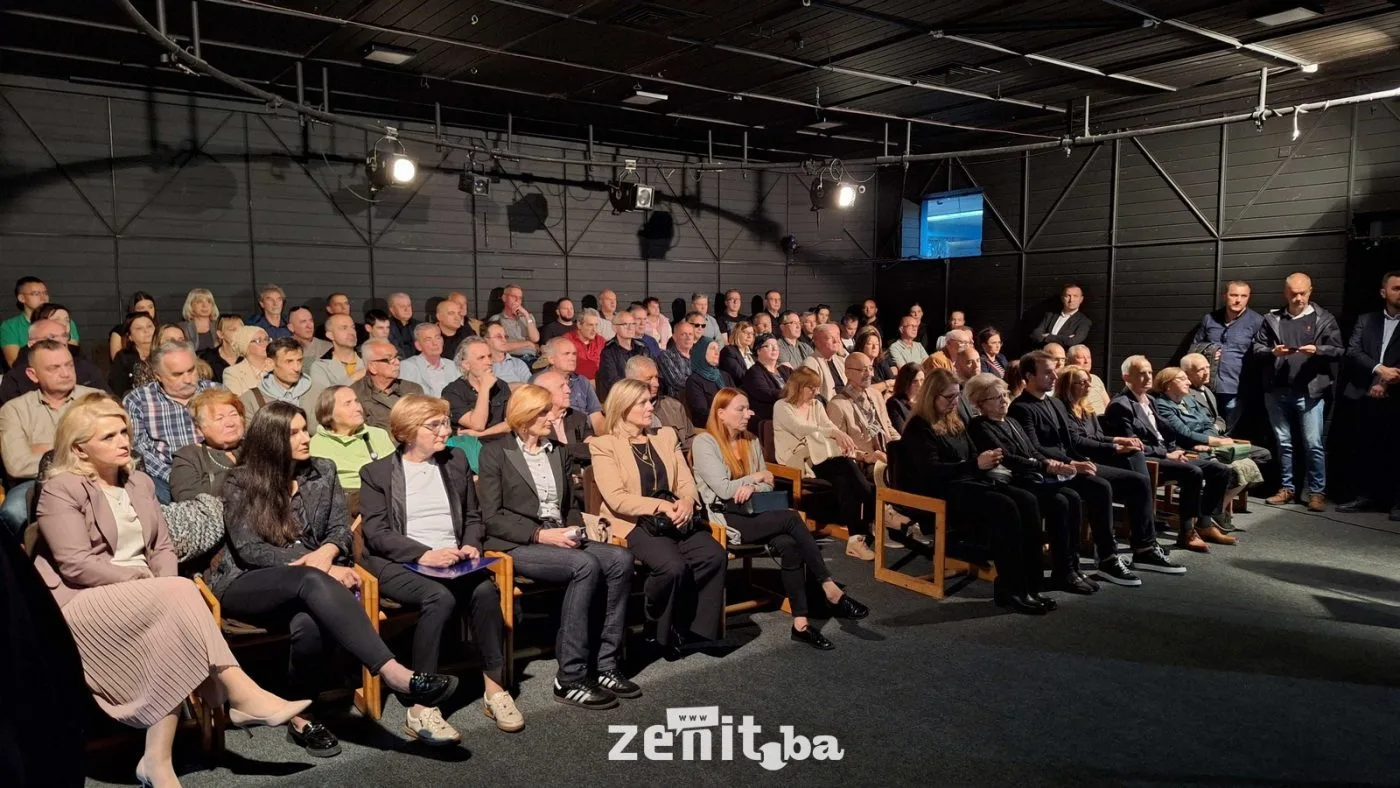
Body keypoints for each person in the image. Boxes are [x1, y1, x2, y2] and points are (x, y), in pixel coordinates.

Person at [34, 395, 311, 786]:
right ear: (79, 448)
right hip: (83, 599)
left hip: (149, 595)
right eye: (108, 436)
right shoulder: (61, 489)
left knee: (173, 614)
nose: (123, 441)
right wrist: (145, 583)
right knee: (179, 594)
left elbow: (162, 548)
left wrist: (159, 583)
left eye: (124, 432)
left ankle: (156, 761)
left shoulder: (140, 482)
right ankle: (239, 692)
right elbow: (75, 563)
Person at [209, 401, 460, 756]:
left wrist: (327, 553)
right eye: (293, 433)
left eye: (305, 429)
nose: (305, 438)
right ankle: (394, 673)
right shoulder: (239, 481)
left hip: (312, 586)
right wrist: (320, 566)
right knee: (311, 580)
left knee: (308, 624)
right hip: (250, 582)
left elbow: (341, 529)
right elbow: (251, 549)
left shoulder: (323, 470)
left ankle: (302, 717)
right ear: (271, 439)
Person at [359, 395, 519, 738]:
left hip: (453, 559)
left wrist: (471, 544)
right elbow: (377, 533)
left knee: (486, 592)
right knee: (439, 598)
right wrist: (423, 554)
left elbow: (473, 516)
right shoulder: (377, 473)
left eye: (445, 423)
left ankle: (495, 689)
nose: (445, 431)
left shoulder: (455, 460)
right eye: (435, 425)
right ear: (407, 432)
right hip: (400, 561)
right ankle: (421, 707)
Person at [477, 385, 636, 708]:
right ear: (524, 416)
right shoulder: (495, 452)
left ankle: (605, 664)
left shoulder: (558, 451)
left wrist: (575, 529)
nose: (552, 417)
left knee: (620, 559)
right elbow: (491, 518)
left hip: (558, 534)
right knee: (584, 565)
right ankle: (570, 677)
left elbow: (570, 506)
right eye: (544, 412)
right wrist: (540, 535)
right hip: (516, 543)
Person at [693, 389, 868, 647]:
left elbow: (769, 483)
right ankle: (829, 588)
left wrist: (753, 484)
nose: (749, 413)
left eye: (748, 408)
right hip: (725, 518)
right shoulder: (705, 443)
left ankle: (801, 624)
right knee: (792, 518)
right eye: (741, 409)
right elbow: (724, 489)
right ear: (721, 413)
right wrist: (754, 478)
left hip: (755, 510)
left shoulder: (751, 440)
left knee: (790, 544)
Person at [590, 379, 728, 653]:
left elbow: (685, 481)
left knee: (713, 555)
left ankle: (687, 624)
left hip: (675, 514)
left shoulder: (665, 436)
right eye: (642, 403)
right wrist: (660, 506)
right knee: (672, 567)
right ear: (623, 407)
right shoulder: (604, 445)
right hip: (634, 521)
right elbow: (617, 498)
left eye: (650, 401)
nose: (650, 407)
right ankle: (655, 620)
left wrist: (687, 501)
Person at [1008, 351, 1168, 584]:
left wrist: (1112, 443)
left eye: (1054, 371)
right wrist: (1072, 463)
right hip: (1050, 470)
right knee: (1100, 487)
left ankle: (1145, 547)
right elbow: (1034, 448)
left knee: (1138, 480)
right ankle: (1107, 557)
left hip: (1071, 462)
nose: (1054, 376)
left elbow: (1072, 440)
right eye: (1047, 372)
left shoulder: (1054, 403)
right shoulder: (1021, 407)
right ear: (1029, 376)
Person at [953, 372, 1090, 600]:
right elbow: (1007, 458)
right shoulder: (979, 426)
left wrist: (1052, 463)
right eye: (996, 397)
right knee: (1059, 502)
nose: (1004, 400)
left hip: (1032, 476)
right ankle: (1055, 572)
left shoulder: (1012, 421)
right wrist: (1043, 465)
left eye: (1005, 395)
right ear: (980, 403)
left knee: (1072, 497)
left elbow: (1032, 451)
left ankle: (1069, 566)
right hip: (1014, 480)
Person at [1103, 356, 1235, 551]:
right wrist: (1166, 454)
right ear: (1126, 377)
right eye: (1141, 374)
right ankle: (1186, 533)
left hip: (1166, 453)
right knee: (1193, 472)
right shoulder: (1120, 405)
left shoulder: (1150, 400)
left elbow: (1165, 433)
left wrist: (1174, 450)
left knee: (1220, 470)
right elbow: (1132, 445)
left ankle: (1204, 522)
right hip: (1145, 458)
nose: (1148, 377)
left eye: (1150, 372)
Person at [1251, 272, 1343, 511]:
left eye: (1303, 293)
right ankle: (1287, 488)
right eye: (1293, 294)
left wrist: (1318, 350)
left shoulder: (1324, 319)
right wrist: (1272, 353)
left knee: (1313, 444)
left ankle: (1316, 493)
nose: (1298, 298)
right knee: (1284, 443)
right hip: (1277, 391)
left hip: (1311, 392)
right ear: (1285, 293)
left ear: (1310, 291)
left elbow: (1339, 350)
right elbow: (1257, 348)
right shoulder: (1272, 319)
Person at [774, 367, 876, 560]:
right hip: (797, 460)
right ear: (798, 387)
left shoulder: (816, 405)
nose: (815, 392)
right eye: (811, 388)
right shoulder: (782, 406)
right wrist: (834, 433)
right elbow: (800, 428)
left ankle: (855, 540)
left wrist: (839, 435)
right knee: (845, 465)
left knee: (843, 480)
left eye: (816, 387)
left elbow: (828, 427)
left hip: (819, 456)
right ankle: (876, 506)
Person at [0, 341, 100, 536]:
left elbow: (111, 448)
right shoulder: (14, 410)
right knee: (12, 513)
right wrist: (78, 449)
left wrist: (47, 451)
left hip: (92, 476)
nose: (65, 373)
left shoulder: (96, 400)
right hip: (36, 482)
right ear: (33, 375)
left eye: (69, 365)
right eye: (54, 368)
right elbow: (17, 465)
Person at [1153, 366, 1267, 530]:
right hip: (1188, 448)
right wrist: (1213, 442)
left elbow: (1208, 423)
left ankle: (1215, 506)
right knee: (1229, 468)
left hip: (1208, 444)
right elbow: (1183, 433)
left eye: (1187, 378)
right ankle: (1212, 511)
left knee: (1260, 457)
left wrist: (1210, 441)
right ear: (1168, 384)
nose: (1188, 382)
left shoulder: (1190, 400)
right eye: (1182, 379)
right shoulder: (1162, 405)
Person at [1339, 270, 1400, 518]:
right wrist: (1379, 370)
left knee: (1396, 448)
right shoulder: (1366, 320)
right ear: (1383, 292)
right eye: (1396, 288)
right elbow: (1353, 351)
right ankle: (1364, 496)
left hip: (1397, 395)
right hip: (1363, 392)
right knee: (1364, 447)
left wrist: (1386, 381)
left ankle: (1397, 503)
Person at [124, 342, 216, 504]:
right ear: (158, 375)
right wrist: (177, 477)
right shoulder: (139, 400)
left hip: (216, 471)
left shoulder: (216, 392)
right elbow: (139, 448)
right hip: (166, 478)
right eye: (177, 374)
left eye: (191, 370)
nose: (188, 379)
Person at [309, 385, 395, 516]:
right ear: (328, 412)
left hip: (378, 504)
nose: (358, 408)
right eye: (347, 403)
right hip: (338, 509)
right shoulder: (315, 445)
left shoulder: (378, 435)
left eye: (357, 401)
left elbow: (395, 475)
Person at [1192, 281, 1263, 432]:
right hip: (1207, 384)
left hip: (1236, 386)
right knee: (1207, 425)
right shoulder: (1210, 319)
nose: (1238, 300)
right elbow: (1193, 348)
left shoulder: (1257, 321)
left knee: (1231, 430)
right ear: (1225, 296)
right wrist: (1209, 350)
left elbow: (1261, 353)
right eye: (1234, 295)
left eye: (1243, 296)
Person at [0, 318, 105, 404]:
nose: (61, 341)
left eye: (64, 336)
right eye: (51, 337)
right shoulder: (15, 378)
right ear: (32, 344)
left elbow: (108, 401)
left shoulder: (85, 368)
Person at [168, 388, 245, 503]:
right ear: (199, 429)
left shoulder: (257, 448)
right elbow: (189, 504)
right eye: (219, 418)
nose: (230, 423)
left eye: (234, 414)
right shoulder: (188, 457)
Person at [826, 351, 899, 472]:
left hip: (890, 454)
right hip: (867, 463)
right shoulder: (837, 405)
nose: (869, 374)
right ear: (847, 373)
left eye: (870, 368)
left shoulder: (876, 395)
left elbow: (888, 427)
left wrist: (902, 446)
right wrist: (867, 457)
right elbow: (838, 447)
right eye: (863, 370)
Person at [239, 338, 322, 427]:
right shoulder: (251, 400)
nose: (297, 368)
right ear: (270, 363)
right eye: (289, 361)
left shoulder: (319, 393)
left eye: (299, 361)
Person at [443, 336, 512, 441]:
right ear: (466, 365)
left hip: (500, 444)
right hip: (471, 447)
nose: (489, 362)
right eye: (481, 358)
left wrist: (482, 434)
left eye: (489, 356)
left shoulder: (501, 386)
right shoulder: (452, 392)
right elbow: (478, 425)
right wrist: (484, 388)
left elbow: (512, 423)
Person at [2, 276, 80, 367]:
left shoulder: (66, 322)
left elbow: (72, 354)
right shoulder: (9, 326)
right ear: (21, 298)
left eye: (45, 293)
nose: (43, 298)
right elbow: (14, 363)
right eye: (36, 294)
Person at [538, 336, 604, 435]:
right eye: (566, 354)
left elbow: (597, 418)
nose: (572, 358)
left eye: (574, 354)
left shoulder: (582, 381)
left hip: (586, 435)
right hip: (557, 436)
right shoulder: (540, 382)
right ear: (551, 359)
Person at [627, 356, 695, 450]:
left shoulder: (674, 406)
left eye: (656, 377)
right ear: (632, 381)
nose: (657, 384)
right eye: (649, 379)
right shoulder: (624, 411)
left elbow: (690, 438)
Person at [398, 323, 460, 398]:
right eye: (428, 340)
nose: (435, 343)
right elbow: (408, 399)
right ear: (418, 345)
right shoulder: (408, 366)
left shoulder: (453, 366)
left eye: (437, 338)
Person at [597, 308, 648, 399]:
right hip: (623, 398)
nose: (630, 328)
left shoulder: (642, 347)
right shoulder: (608, 352)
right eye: (625, 324)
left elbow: (652, 371)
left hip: (645, 393)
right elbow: (612, 382)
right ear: (614, 328)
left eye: (633, 324)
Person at [740, 333, 790, 425]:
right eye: (769, 346)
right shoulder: (754, 372)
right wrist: (791, 393)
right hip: (772, 417)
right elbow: (764, 393)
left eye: (776, 346)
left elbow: (801, 384)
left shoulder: (786, 370)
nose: (774, 349)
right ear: (758, 351)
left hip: (791, 411)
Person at [685, 336, 734, 427]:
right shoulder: (694, 380)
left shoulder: (725, 376)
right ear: (701, 352)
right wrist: (727, 417)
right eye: (712, 348)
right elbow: (702, 412)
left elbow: (735, 399)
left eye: (718, 349)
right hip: (710, 426)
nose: (717, 352)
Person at [307, 313, 364, 389]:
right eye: (344, 328)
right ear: (330, 335)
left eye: (353, 327)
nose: (351, 332)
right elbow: (324, 395)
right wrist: (354, 377)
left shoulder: (369, 359)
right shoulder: (320, 366)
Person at [109, 312, 158, 399]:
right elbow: (117, 391)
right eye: (139, 328)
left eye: (149, 326)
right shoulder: (123, 358)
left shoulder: (165, 353)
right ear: (129, 336)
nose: (146, 331)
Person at [489, 283, 541, 361]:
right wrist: (528, 343)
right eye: (514, 297)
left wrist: (526, 315)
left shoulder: (528, 317)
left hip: (533, 357)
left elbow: (535, 339)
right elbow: (500, 346)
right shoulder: (497, 319)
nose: (517, 300)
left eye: (520, 298)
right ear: (504, 298)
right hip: (514, 358)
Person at [1030, 283, 1091, 348]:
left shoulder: (1084, 321)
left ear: (1081, 299)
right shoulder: (1050, 315)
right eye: (1068, 296)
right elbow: (1035, 335)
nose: (1071, 300)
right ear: (1062, 298)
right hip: (1044, 353)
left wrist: (1048, 336)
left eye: (1075, 296)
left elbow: (1072, 341)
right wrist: (1065, 338)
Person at [800, 324, 847, 404]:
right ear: (817, 342)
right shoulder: (810, 364)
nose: (836, 341)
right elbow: (812, 396)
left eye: (837, 337)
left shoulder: (840, 360)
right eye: (830, 338)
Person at [222, 326, 272, 397]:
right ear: (245, 346)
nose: (266, 344)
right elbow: (236, 402)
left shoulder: (279, 366)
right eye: (259, 341)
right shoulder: (232, 373)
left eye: (267, 339)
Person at [108, 291, 157, 361]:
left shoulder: (161, 329)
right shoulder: (120, 331)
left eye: (150, 307)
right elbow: (118, 361)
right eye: (141, 308)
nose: (147, 311)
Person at [199, 314, 244, 385]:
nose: (239, 333)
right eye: (233, 330)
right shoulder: (208, 359)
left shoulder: (250, 356)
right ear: (220, 334)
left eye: (242, 329)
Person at [658, 319, 698, 398]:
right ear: (674, 337)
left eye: (690, 334)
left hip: (698, 398)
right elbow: (677, 382)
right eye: (683, 334)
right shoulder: (666, 356)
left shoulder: (698, 356)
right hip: (677, 401)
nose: (688, 338)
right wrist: (700, 384)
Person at [565, 307, 606, 383]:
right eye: (590, 325)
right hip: (575, 383)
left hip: (599, 383)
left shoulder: (601, 341)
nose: (594, 329)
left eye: (596, 325)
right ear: (579, 325)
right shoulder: (567, 340)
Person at [1067, 344, 1110, 414]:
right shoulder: (1068, 380)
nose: (1086, 361)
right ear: (1070, 361)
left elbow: (1108, 404)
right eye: (1081, 358)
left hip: (1103, 418)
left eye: (1088, 357)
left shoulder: (1096, 379)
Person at [886, 363, 923, 433]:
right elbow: (902, 431)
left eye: (922, 380)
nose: (920, 385)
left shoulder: (927, 400)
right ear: (905, 382)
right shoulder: (894, 403)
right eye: (915, 381)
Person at [386, 292, 420, 360]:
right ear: (392, 310)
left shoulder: (419, 326)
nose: (407, 309)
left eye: (409, 305)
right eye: (402, 306)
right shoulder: (385, 327)